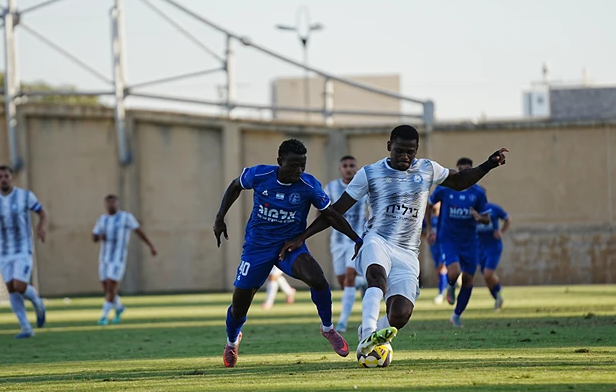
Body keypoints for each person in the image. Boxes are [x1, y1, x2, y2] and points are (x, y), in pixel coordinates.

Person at [280, 125, 507, 360]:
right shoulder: (370, 173)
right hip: (377, 240)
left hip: (408, 251)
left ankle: (374, 331)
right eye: (399, 150)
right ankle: (368, 333)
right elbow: (336, 210)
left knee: (400, 314)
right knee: (376, 277)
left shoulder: (428, 168)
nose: (405, 156)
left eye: (411, 151)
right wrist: (302, 237)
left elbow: (459, 181)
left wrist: (488, 164)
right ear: (389, 146)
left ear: (417, 149)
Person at [213, 138, 362, 367]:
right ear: (279, 161)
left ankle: (328, 328)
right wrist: (220, 217)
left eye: (302, 165)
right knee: (240, 304)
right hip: (257, 248)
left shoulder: (308, 185)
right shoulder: (260, 175)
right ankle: (232, 342)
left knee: (318, 279)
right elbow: (235, 185)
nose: (298, 170)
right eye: (293, 165)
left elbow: (330, 214)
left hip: (289, 246)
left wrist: (356, 239)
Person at [0, 165, 47, 338]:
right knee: (11, 289)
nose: (3, 179)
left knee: (19, 286)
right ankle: (26, 328)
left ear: (12, 178)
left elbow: (41, 212)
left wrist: (41, 227)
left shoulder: (25, 196)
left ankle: (38, 303)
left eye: (6, 176)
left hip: (23, 249)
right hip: (4, 251)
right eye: (0, 176)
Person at [427, 157, 491, 327]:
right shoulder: (445, 189)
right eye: (460, 168)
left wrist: (478, 216)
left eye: (467, 169)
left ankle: (456, 315)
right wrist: (429, 229)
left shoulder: (478, 193)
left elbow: (487, 219)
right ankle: (450, 285)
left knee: (469, 279)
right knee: (454, 272)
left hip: (470, 241)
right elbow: (428, 205)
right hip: (449, 238)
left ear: (472, 171)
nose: (463, 172)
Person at [92, 194, 157, 325]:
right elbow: (94, 237)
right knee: (106, 288)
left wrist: (151, 246)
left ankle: (104, 316)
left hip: (118, 258)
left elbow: (139, 231)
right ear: (105, 205)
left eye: (113, 202)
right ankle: (119, 308)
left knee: (111, 285)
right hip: (104, 258)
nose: (111, 205)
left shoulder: (126, 217)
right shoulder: (102, 220)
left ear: (117, 203)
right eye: (109, 203)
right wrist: (99, 236)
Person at [324, 155, 368, 332]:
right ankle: (364, 282)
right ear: (340, 169)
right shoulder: (332, 187)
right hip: (337, 241)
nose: (349, 168)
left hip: (356, 240)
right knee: (343, 282)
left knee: (349, 276)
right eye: (345, 166)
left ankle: (342, 322)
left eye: (352, 166)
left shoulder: (363, 187)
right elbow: (322, 212)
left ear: (356, 169)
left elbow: (370, 210)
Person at [477, 201, 510, 310]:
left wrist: (501, 231)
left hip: (493, 247)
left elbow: (507, 218)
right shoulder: (471, 210)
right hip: (479, 248)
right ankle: (497, 299)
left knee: (488, 273)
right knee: (486, 278)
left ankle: (499, 291)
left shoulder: (493, 208)